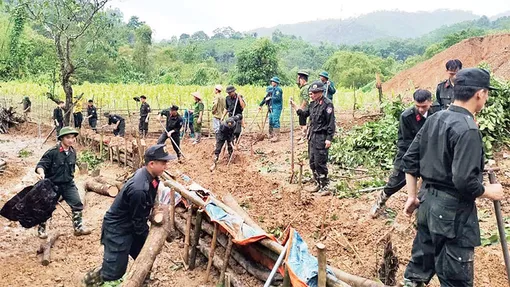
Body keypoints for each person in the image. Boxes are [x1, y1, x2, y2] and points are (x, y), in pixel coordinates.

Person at [401, 68, 504, 287]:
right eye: (486, 93)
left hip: (426, 204)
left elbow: (409, 160)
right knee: (456, 279)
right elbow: (464, 181)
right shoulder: (468, 129)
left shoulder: (435, 118)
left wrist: (412, 196)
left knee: (417, 273)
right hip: (452, 214)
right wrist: (489, 191)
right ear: (480, 93)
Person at [83, 144, 175, 286]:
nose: (166, 166)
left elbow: (151, 200)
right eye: (163, 163)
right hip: (118, 229)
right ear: (151, 164)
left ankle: (140, 281)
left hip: (132, 223)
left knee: (144, 257)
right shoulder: (139, 188)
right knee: (114, 272)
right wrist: (148, 238)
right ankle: (88, 281)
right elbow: (138, 222)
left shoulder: (152, 177)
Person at [370, 89, 435, 218]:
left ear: (430, 103)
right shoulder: (407, 116)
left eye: (424, 106)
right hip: (408, 152)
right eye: (418, 106)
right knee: (395, 181)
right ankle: (380, 203)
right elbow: (405, 142)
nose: (421, 109)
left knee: (429, 182)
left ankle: (420, 212)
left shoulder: (437, 113)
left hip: (429, 153)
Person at [35, 126, 92, 239]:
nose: (71, 140)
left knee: (77, 203)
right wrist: (41, 173)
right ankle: (41, 229)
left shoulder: (72, 152)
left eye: (73, 138)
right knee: (46, 207)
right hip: (53, 184)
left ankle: (78, 228)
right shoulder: (53, 152)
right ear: (61, 138)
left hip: (68, 184)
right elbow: (41, 165)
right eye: (68, 138)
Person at [291, 81, 336, 196]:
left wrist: (329, 138)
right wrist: (294, 105)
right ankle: (317, 183)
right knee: (312, 161)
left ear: (321, 92)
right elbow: (303, 114)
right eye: (311, 93)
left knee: (320, 161)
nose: (312, 95)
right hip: (312, 136)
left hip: (321, 136)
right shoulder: (312, 104)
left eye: (315, 93)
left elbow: (331, 123)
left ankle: (324, 186)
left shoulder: (327, 104)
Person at [259, 77, 283, 142]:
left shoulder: (278, 89)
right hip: (272, 107)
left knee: (275, 120)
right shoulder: (273, 89)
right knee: (271, 120)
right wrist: (261, 105)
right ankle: (271, 134)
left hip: (277, 107)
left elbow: (277, 98)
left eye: (273, 81)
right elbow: (265, 98)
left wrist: (271, 98)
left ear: (276, 82)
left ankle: (276, 136)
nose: (272, 82)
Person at [296, 71, 310, 144]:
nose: (299, 81)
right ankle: (303, 135)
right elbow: (298, 84)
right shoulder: (304, 87)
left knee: (303, 124)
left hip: (304, 108)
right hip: (305, 108)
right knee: (302, 124)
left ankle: (304, 137)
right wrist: (298, 78)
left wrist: (301, 109)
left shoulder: (305, 88)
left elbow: (305, 99)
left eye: (300, 79)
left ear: (303, 80)